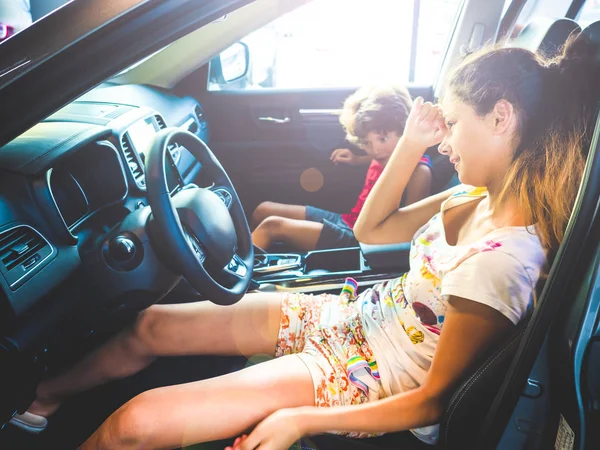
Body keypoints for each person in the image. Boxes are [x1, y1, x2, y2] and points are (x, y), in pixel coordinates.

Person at [11, 34, 599, 450]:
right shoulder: (467, 197)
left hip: (368, 369)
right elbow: (371, 230)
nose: (445, 141)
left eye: (453, 123)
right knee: (154, 325)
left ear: (500, 118)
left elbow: (432, 403)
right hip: (355, 315)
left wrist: (299, 418)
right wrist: (409, 143)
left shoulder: (503, 262)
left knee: (133, 424)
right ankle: (42, 398)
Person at [251, 84, 433, 251]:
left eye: (382, 139)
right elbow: (378, 161)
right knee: (263, 209)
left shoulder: (419, 172)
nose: (375, 150)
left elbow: (409, 231)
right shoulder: (385, 154)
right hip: (348, 220)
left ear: (403, 130)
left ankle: (233, 278)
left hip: (363, 241)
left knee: (272, 227)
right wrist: (356, 159)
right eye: (366, 143)